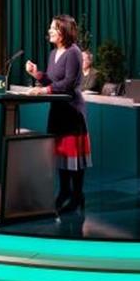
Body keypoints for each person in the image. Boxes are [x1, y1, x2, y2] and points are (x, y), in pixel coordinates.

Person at [24, 15, 92, 212]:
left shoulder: (74, 52)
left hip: (72, 111)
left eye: (53, 28)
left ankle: (77, 196)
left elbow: (69, 83)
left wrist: (44, 90)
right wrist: (37, 74)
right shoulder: (53, 54)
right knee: (61, 155)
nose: (50, 31)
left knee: (74, 157)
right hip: (57, 111)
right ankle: (63, 192)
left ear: (64, 31)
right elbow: (52, 80)